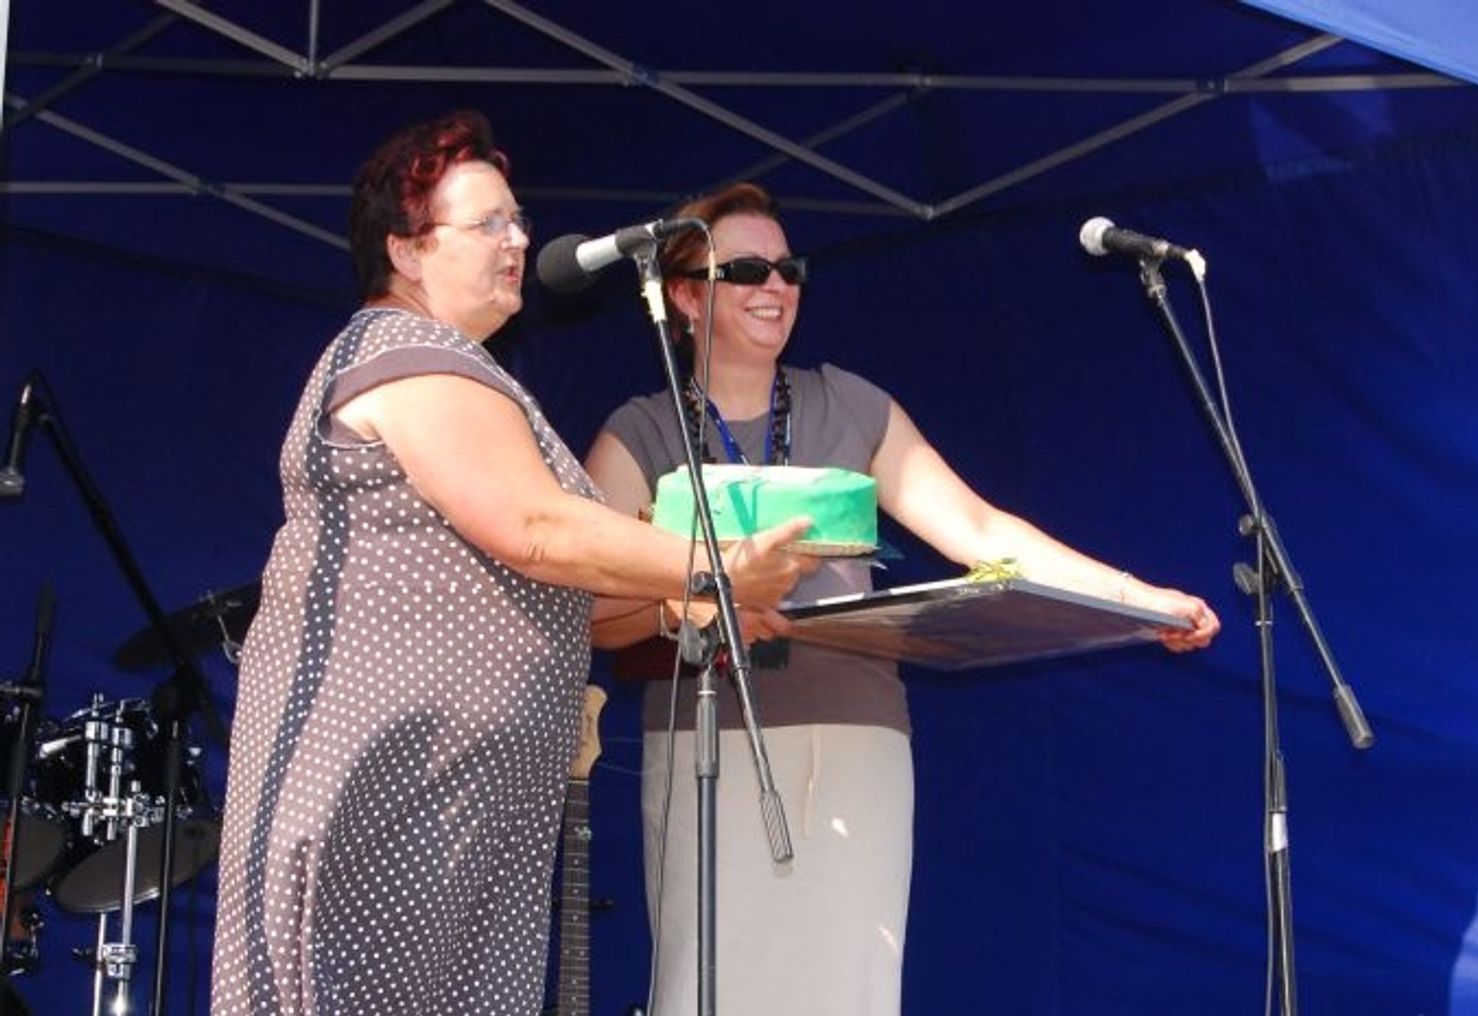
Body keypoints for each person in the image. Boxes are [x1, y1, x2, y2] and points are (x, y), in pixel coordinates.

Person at [208, 115, 813, 1016]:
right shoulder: (403, 354)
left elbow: (558, 567)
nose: (519, 240)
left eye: (518, 220)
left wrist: (678, 603)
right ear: (406, 250)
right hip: (398, 797)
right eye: (487, 223)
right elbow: (533, 526)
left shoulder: (459, 367)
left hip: (459, 807)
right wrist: (716, 567)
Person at [582, 181, 1222, 1016]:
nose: (775, 287)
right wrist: (686, 602)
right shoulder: (640, 431)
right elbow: (589, 607)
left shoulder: (851, 403)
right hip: (708, 742)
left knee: (853, 988)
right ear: (684, 296)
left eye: (788, 269)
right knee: (708, 987)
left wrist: (1136, 596)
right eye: (745, 271)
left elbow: (980, 530)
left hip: (861, 738)